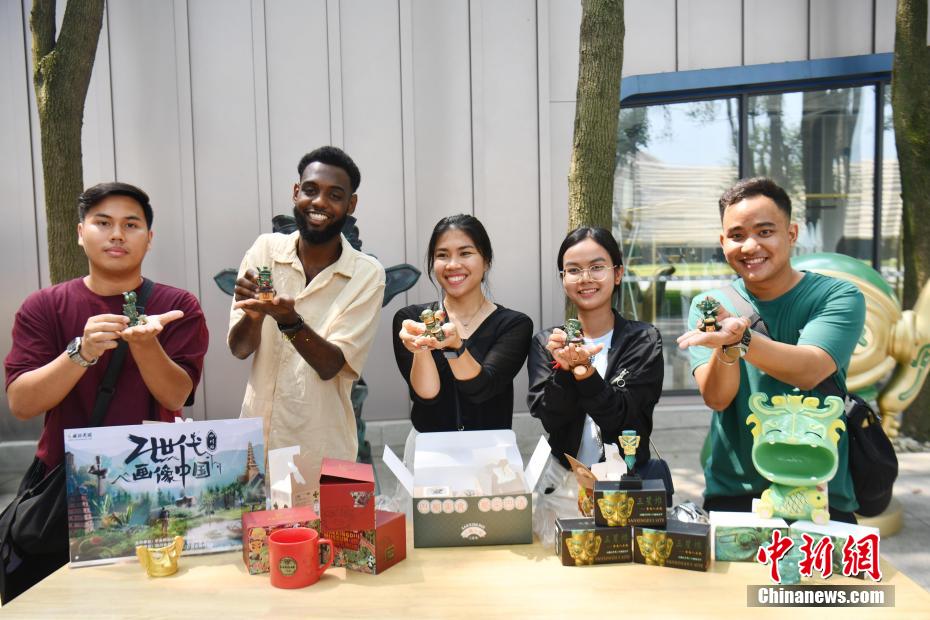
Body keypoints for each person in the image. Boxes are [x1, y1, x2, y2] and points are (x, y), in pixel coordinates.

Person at [3, 182, 209, 602]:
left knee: (157, 601)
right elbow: (22, 403)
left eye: (131, 224)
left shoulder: (178, 305)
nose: (117, 234)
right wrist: (80, 353)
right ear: (80, 232)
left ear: (148, 239)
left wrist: (146, 344)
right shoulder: (43, 307)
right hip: (65, 484)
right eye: (103, 223)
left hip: (152, 483)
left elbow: (176, 395)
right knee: (62, 603)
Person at [676, 177, 865, 523]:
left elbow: (810, 369)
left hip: (821, 492)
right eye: (737, 236)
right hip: (735, 491)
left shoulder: (838, 296)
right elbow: (718, 398)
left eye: (765, 232)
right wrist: (726, 350)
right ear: (723, 242)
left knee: (820, 582)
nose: (750, 246)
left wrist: (741, 339)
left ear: (791, 234)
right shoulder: (709, 305)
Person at [229, 146, 385, 493]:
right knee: (258, 546)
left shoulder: (366, 274)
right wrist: (254, 313)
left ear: (351, 205)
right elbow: (240, 349)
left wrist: (290, 322)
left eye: (335, 195)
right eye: (311, 190)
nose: (320, 203)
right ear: (295, 192)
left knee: (319, 546)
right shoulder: (265, 250)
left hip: (319, 453)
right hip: (258, 446)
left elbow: (331, 365)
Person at [526, 227, 663, 545]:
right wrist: (563, 368)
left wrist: (585, 373)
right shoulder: (547, 342)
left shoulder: (642, 340)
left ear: (617, 274)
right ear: (563, 278)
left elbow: (624, 417)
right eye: (573, 270)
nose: (585, 278)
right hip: (564, 484)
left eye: (597, 267)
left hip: (627, 484)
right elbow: (549, 415)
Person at [392, 215, 532, 454]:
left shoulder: (514, 324)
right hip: (429, 452)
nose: (453, 264)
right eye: (442, 255)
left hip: (490, 455)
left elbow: (481, 388)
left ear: (486, 260)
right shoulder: (412, 319)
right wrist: (422, 347)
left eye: (465, 253)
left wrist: (455, 347)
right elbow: (426, 396)